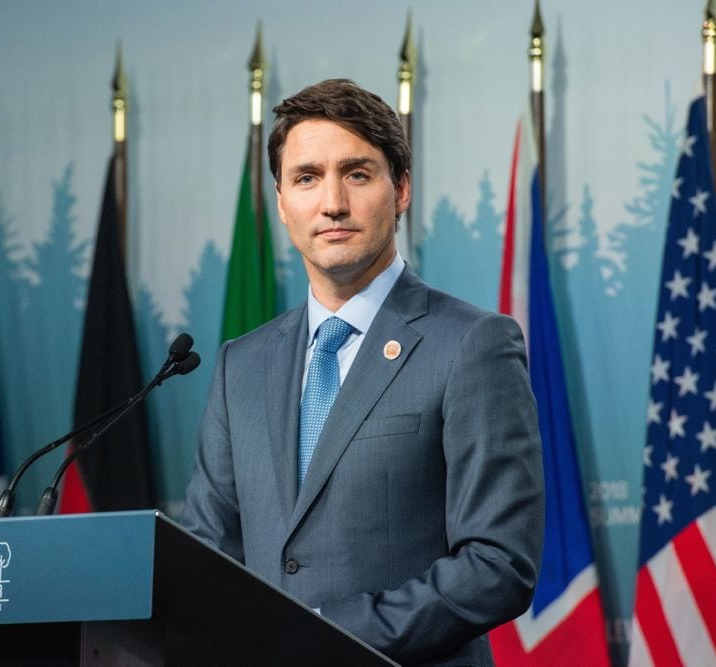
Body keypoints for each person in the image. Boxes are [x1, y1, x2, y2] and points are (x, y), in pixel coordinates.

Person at [182, 78, 544, 665]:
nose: (332, 203)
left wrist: (324, 635)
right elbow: (204, 553)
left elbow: (499, 564)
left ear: (400, 189)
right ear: (281, 200)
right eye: (306, 178)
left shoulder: (472, 344)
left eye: (356, 173)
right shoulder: (238, 367)